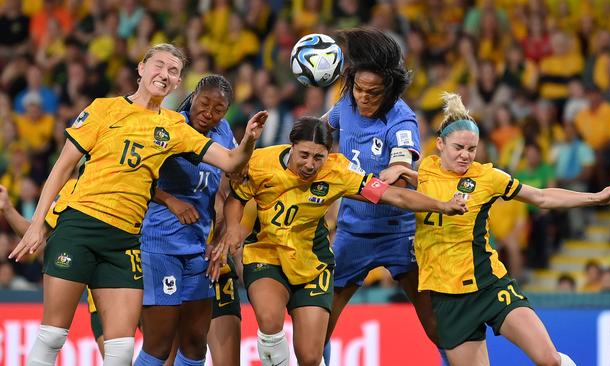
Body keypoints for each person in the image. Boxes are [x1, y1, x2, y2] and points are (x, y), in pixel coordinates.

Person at [8, 43, 268, 365]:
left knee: (122, 352)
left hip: (126, 241)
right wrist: (36, 224)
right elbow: (62, 168)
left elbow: (230, 161)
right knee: (52, 337)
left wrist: (251, 138)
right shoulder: (103, 109)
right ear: (141, 68)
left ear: (177, 84)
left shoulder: (175, 127)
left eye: (173, 71)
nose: (165, 74)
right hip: (80, 227)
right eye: (159, 65)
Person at [208, 117, 468, 366]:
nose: (310, 164)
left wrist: (441, 205)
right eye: (304, 155)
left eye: (318, 157)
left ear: (328, 154)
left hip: (312, 263)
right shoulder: (261, 162)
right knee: (269, 320)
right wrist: (232, 227)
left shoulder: (338, 171)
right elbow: (237, 198)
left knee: (310, 357)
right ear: (292, 146)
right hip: (267, 254)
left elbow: (394, 196)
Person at [411, 92, 610, 366]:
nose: (465, 155)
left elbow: (541, 197)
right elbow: (392, 192)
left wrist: (595, 197)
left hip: (490, 286)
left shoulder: (488, 177)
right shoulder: (421, 173)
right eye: (458, 147)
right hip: (448, 299)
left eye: (472, 149)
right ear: (439, 144)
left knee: (549, 360)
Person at [321, 27, 442, 360]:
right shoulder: (345, 103)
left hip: (397, 234)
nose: (363, 97)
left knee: (436, 326)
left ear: (388, 89)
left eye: (373, 92)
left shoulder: (401, 119)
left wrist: (396, 168)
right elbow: (319, 132)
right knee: (318, 325)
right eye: (359, 88)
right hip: (351, 234)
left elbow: (403, 169)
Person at [135, 74, 242, 366]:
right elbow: (136, 175)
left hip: (198, 249)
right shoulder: (167, 125)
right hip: (160, 245)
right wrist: (170, 200)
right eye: (204, 103)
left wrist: (220, 239)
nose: (209, 113)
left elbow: (234, 186)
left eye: (218, 109)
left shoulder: (224, 132)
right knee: (159, 344)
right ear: (193, 96)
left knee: (195, 344)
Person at [0, 181, 106, 355]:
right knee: (121, 358)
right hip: (103, 301)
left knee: (160, 354)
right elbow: (35, 234)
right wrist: (8, 208)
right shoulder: (72, 188)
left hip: (150, 276)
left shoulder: (141, 178)